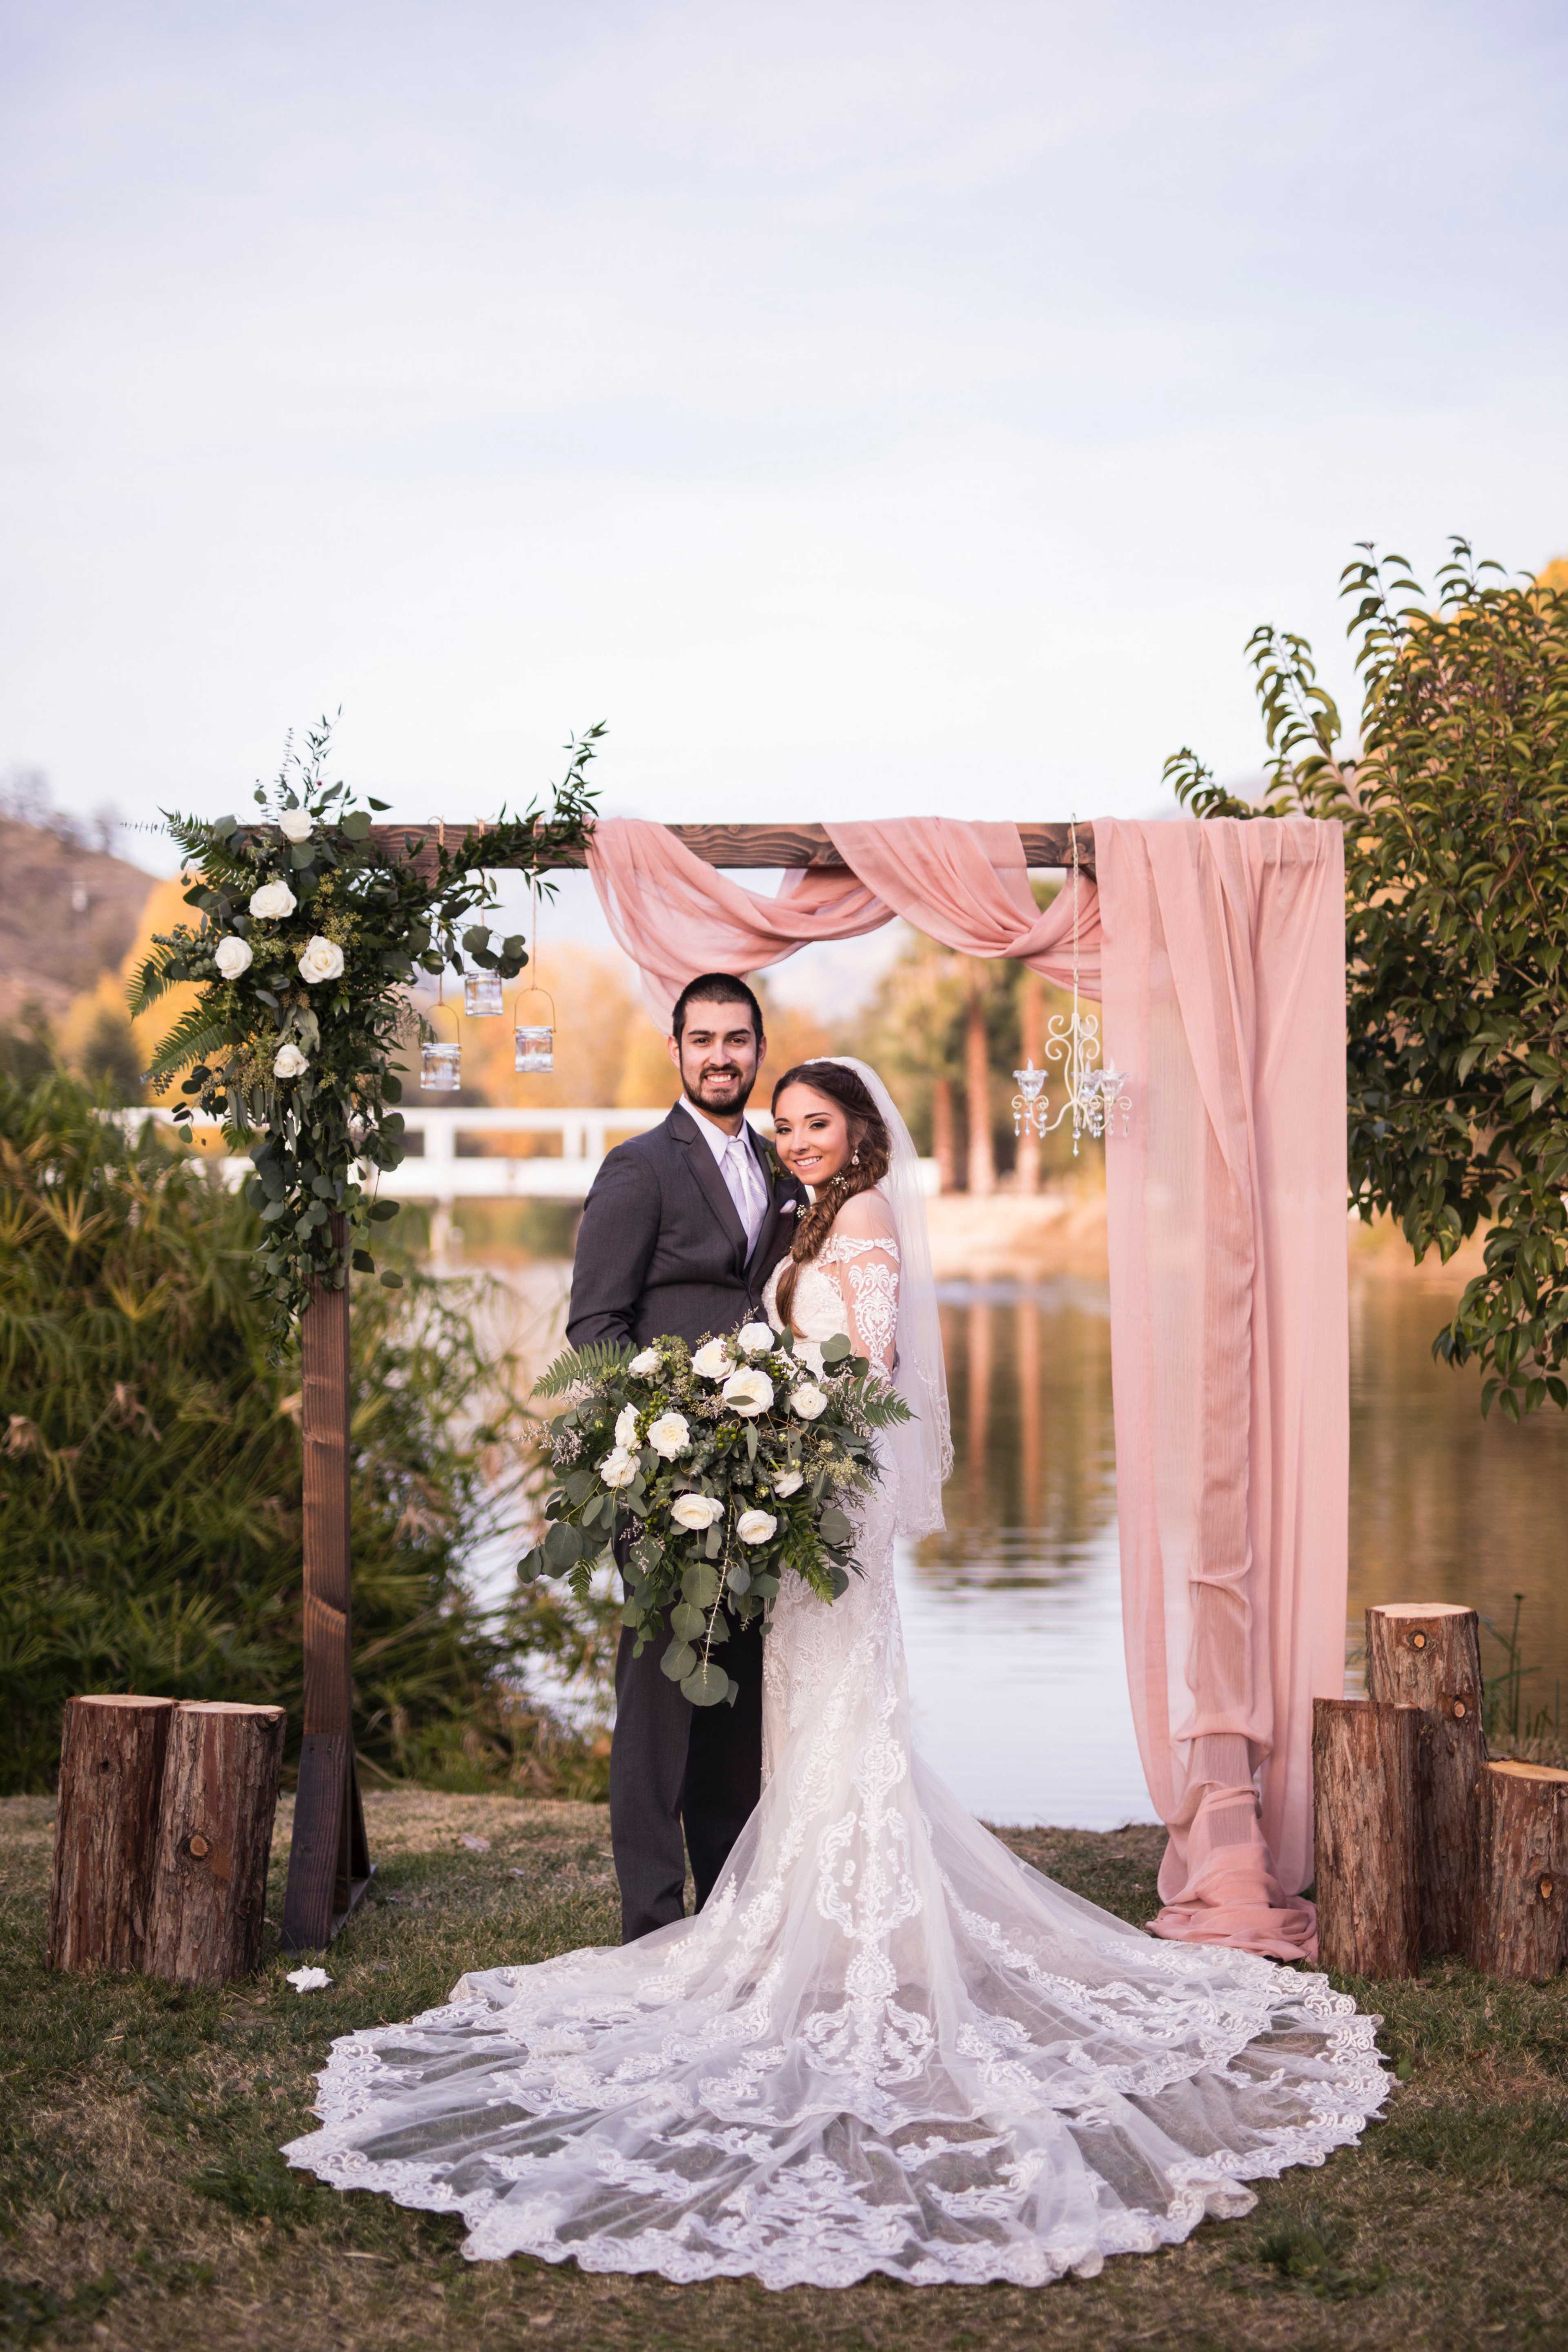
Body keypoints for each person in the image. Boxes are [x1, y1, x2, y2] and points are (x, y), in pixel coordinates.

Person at [284, 1057, 1387, 2291]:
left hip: (826, 1511)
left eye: (819, 1123)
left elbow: (856, 1383)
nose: (800, 1140)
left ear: (860, 1129)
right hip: (795, 1501)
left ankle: (854, 1917)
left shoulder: (859, 1221)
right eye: (789, 1126)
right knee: (809, 1719)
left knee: (840, 1712)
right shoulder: (814, 1210)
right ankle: (813, 1901)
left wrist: (767, 1441)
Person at [563, 972, 807, 1942]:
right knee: (662, 1699)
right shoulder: (639, 1170)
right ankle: (654, 1921)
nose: (721, 1056)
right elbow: (595, 1328)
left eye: (737, 1040)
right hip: (664, 1484)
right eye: (702, 1039)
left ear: (757, 1048)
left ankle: (734, 1908)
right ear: (677, 1052)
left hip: (760, 1485)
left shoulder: (784, 1173)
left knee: (734, 1700)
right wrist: (664, 1437)